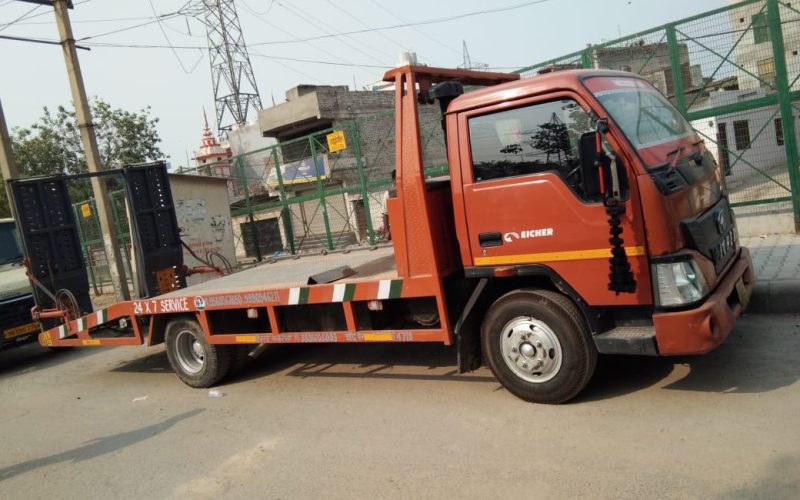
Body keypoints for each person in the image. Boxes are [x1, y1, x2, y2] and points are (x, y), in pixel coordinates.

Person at [381, 169, 396, 241]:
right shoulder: (388, 194)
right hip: (397, 226)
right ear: (394, 179)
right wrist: (387, 232)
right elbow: (385, 214)